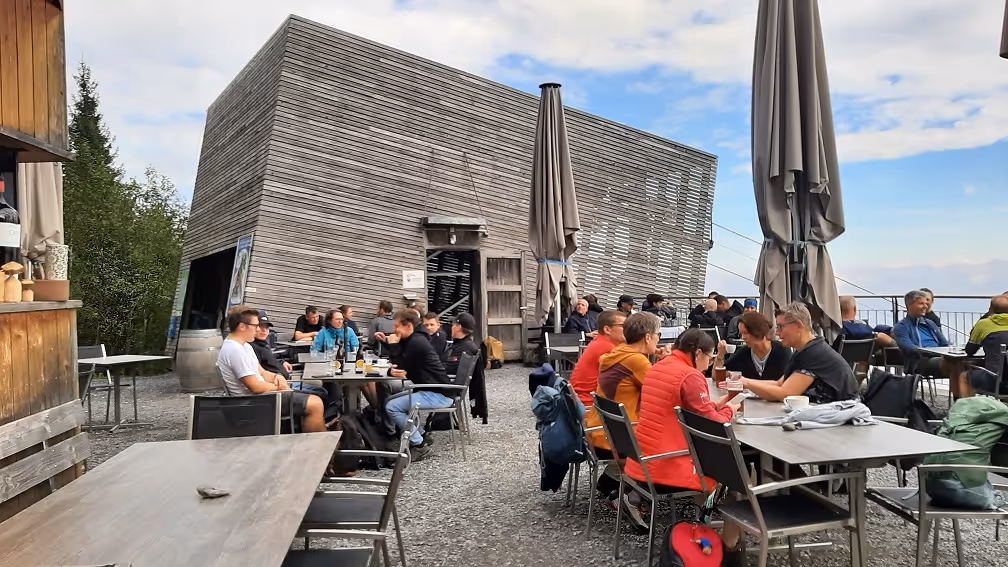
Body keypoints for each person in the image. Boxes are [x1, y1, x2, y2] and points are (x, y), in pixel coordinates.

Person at [622, 329, 739, 526]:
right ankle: (705, 523)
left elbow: (682, 408)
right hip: (668, 461)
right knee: (733, 467)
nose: (708, 364)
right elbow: (713, 425)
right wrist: (730, 410)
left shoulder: (658, 366)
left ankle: (637, 497)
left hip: (643, 458)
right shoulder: (690, 375)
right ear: (698, 353)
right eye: (710, 358)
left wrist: (714, 405)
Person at [583, 312, 665, 524]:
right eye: (658, 335)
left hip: (600, 430)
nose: (659, 340)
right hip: (618, 438)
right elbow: (663, 393)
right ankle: (631, 495)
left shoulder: (617, 353)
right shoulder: (636, 360)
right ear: (648, 337)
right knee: (673, 443)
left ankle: (613, 485)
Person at [215, 306, 326, 432]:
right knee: (315, 403)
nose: (258, 329)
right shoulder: (234, 350)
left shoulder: (244, 345)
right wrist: (279, 387)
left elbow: (262, 372)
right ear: (242, 326)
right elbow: (255, 387)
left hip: (262, 397)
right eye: (255, 325)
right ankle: (317, 443)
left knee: (314, 397)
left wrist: (276, 377)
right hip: (253, 403)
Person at [737, 303, 858, 404]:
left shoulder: (814, 353)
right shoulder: (808, 349)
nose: (777, 332)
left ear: (798, 325)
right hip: (831, 412)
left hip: (843, 417)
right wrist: (743, 381)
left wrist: (746, 383)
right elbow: (779, 384)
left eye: (780, 327)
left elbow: (786, 393)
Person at [922, 370, 1008, 511]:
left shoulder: (959, 406)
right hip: (961, 490)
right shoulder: (1004, 412)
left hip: (928, 485)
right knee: (996, 498)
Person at [381, 310, 454, 461]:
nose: (394, 330)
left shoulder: (416, 342)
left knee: (392, 407)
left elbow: (401, 367)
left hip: (438, 394)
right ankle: (420, 434)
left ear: (408, 326)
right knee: (389, 401)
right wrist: (386, 342)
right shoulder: (414, 338)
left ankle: (419, 445)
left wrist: (393, 345)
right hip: (433, 389)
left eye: (397, 326)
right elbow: (401, 359)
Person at [568, 310, 627, 407]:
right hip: (590, 405)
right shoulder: (607, 348)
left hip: (579, 401)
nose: (628, 329)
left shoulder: (599, 342)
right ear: (607, 330)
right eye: (623, 326)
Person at [715, 311, 791, 381]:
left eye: (746, 333)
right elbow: (716, 377)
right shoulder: (744, 352)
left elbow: (787, 381)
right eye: (741, 334)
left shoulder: (782, 350)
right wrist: (720, 356)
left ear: (758, 330)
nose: (743, 337)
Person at [894, 289, 951, 377]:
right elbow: (912, 349)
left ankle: (960, 385)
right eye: (921, 303)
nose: (925, 306)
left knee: (963, 363)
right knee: (952, 364)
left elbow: (944, 344)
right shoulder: (901, 327)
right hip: (919, 362)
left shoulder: (930, 323)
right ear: (910, 305)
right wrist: (936, 352)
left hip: (938, 357)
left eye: (926, 303)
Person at [963, 295, 1008, 395]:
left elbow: (970, 350)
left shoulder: (983, 324)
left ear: (990, 309)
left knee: (963, 376)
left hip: (995, 381)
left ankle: (964, 405)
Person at [249, 313, 292, 378]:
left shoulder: (263, 344)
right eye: (260, 326)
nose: (264, 330)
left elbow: (269, 359)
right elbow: (257, 374)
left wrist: (282, 362)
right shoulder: (252, 348)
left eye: (266, 327)